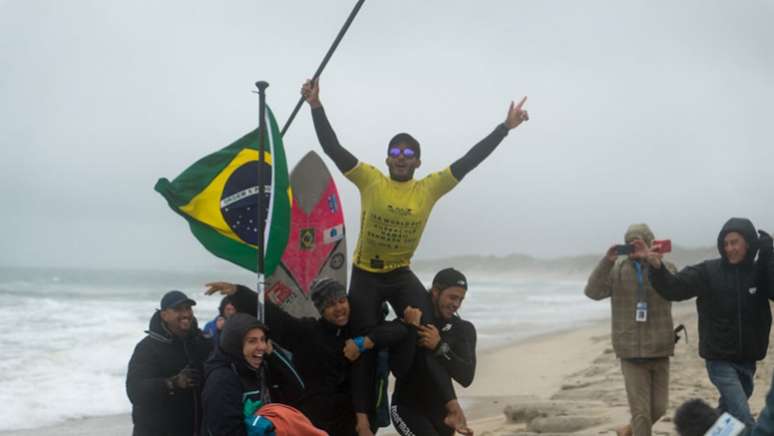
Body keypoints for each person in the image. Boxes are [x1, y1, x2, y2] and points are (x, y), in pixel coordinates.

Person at [301, 78, 527, 434]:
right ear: (388, 157)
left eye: (409, 154)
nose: (402, 158)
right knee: (359, 340)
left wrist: (505, 128)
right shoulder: (370, 180)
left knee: (427, 329)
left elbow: (469, 161)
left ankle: (450, 406)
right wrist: (316, 106)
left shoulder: (428, 188)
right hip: (366, 274)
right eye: (396, 152)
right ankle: (361, 417)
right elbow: (333, 147)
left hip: (400, 272)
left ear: (417, 162)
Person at [205, 279, 413, 436]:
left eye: (342, 301)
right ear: (322, 310)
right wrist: (240, 294)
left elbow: (396, 330)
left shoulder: (359, 331)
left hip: (357, 421)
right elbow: (278, 319)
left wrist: (364, 342)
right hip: (316, 422)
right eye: (331, 305)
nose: (339, 308)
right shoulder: (309, 333)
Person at [633, 218, 774, 426]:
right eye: (726, 244)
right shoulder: (708, 272)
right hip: (719, 360)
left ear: (749, 243)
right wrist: (656, 267)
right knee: (743, 416)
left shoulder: (759, 272)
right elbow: (674, 288)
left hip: (748, 360)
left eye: (735, 242)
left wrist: (769, 256)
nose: (730, 249)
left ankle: (708, 430)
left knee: (728, 416)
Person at [584, 224, 677, 436]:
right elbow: (592, 291)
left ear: (650, 241)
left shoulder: (665, 268)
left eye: (639, 242)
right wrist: (606, 262)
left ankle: (627, 431)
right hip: (630, 350)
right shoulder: (617, 271)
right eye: (630, 243)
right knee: (641, 414)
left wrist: (653, 260)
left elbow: (675, 287)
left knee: (659, 409)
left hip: (660, 347)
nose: (634, 247)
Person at [390, 268, 477, 436]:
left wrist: (439, 347)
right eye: (452, 297)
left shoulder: (463, 330)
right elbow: (398, 369)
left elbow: (466, 377)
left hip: (442, 413)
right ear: (435, 292)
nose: (456, 304)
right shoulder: (414, 320)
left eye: (461, 299)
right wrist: (409, 329)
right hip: (407, 407)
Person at [201, 313, 318, 435]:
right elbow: (225, 431)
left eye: (263, 339)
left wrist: (274, 354)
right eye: (252, 341)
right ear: (234, 344)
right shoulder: (222, 380)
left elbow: (298, 388)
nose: (261, 346)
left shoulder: (261, 368)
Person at [126, 290, 213, 436]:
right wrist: (172, 383)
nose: (186, 314)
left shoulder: (203, 343)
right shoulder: (147, 347)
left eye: (188, 308)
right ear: (164, 315)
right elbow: (134, 391)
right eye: (178, 309)